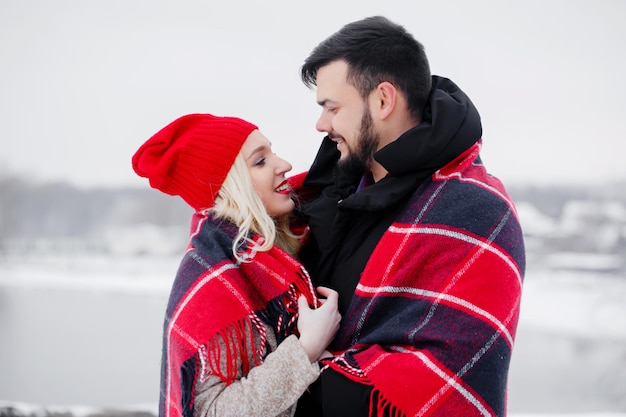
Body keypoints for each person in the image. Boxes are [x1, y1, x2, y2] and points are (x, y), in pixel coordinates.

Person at [292, 16, 526, 417]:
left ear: (383, 100)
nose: (321, 124)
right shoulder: (329, 193)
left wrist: (293, 371)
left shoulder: (474, 212)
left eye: (332, 108)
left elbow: (445, 378)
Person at [131, 113, 341, 417]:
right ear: (229, 188)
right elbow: (212, 412)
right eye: (260, 161)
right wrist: (305, 349)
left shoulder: (277, 252)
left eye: (272, 151)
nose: (284, 165)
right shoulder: (212, 278)